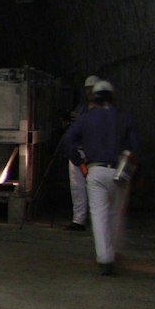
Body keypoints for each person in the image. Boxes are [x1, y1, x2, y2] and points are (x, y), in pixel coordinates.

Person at [58, 80, 140, 275]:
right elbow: (135, 148)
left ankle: (105, 258)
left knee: (99, 215)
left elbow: (67, 140)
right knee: (115, 214)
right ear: (112, 97)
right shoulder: (124, 118)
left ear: (94, 98)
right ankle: (115, 250)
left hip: (95, 171)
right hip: (119, 170)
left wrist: (79, 161)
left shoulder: (86, 119)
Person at [62, 75, 101, 230]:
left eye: (92, 89)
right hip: (76, 153)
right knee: (77, 188)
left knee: (95, 188)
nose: (89, 92)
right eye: (87, 89)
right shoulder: (81, 108)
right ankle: (78, 220)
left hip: (94, 155)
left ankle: (97, 221)